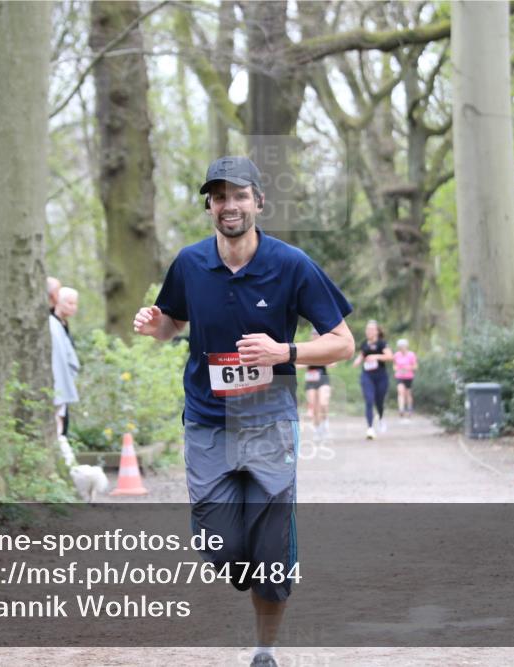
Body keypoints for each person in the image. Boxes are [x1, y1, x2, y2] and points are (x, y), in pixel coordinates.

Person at [133, 156, 354, 667]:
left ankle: (264, 651)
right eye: (219, 196)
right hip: (209, 423)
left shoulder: (291, 264)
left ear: (258, 201)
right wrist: (156, 325)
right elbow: (173, 323)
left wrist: (285, 353)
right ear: (209, 205)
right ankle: (240, 564)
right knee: (221, 549)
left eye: (238, 195)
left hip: (270, 423)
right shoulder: (190, 264)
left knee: (270, 554)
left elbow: (341, 344)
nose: (228, 205)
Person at [352, 319, 392, 439]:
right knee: (369, 400)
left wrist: (376, 356)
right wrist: (357, 361)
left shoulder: (382, 343)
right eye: (367, 329)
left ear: (377, 331)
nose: (369, 331)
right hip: (367, 376)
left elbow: (390, 356)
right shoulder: (364, 344)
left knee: (379, 401)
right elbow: (361, 356)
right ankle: (370, 428)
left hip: (381, 376)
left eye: (371, 329)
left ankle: (380, 417)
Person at [50, 286, 80, 437]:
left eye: (75, 304)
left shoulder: (63, 324)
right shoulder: (52, 324)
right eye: (70, 303)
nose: (73, 307)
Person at [299, 328, 332, 438]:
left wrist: (322, 360)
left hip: (323, 378)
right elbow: (298, 364)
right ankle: (317, 429)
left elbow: (333, 362)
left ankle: (325, 421)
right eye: (313, 334)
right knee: (314, 406)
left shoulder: (325, 347)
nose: (315, 336)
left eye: (317, 334)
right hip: (311, 380)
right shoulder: (307, 348)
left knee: (323, 403)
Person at [393, 338, 418, 421]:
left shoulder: (411, 355)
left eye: (403, 346)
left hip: (408, 376)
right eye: (400, 346)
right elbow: (395, 365)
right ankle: (401, 409)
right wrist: (397, 369)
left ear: (406, 346)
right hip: (399, 376)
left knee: (408, 393)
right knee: (400, 391)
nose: (401, 348)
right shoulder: (396, 355)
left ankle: (409, 408)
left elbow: (415, 366)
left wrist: (407, 368)